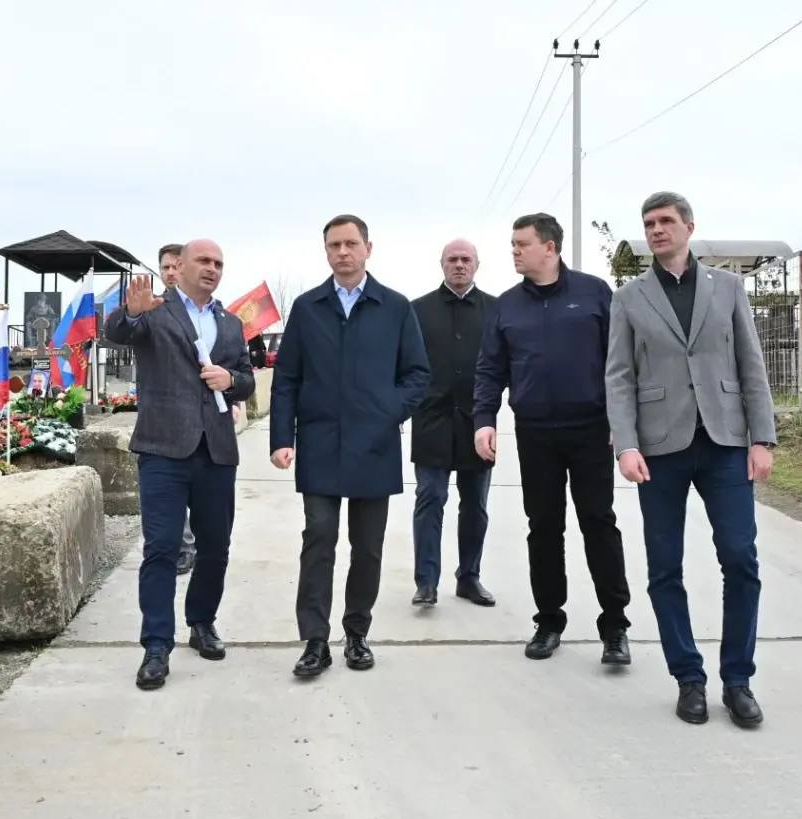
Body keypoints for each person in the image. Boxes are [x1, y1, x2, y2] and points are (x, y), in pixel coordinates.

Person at [605, 192, 776, 729]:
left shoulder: (727, 288)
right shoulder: (629, 298)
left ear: (688, 226)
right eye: (648, 224)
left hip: (725, 442)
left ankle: (738, 680)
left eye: (665, 221)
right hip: (659, 449)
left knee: (740, 558)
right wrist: (625, 445)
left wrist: (762, 438)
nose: (656, 230)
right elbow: (619, 377)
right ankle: (688, 678)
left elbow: (750, 364)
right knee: (664, 567)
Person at [270, 214, 429, 678]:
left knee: (368, 547)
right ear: (326, 251)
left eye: (350, 244)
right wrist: (282, 438)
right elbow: (287, 378)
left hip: (375, 446)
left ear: (367, 249)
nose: (342, 252)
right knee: (318, 539)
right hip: (320, 444)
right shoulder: (308, 308)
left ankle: (357, 633)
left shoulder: (395, 307)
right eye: (334, 245)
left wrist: (389, 411)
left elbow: (417, 374)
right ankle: (315, 641)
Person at [473, 212, 632, 666]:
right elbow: (490, 368)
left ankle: (615, 626)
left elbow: (620, 362)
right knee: (543, 526)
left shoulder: (594, 293)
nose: (514, 251)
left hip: (590, 430)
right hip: (535, 432)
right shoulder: (506, 306)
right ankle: (548, 621)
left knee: (598, 523)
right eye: (513, 244)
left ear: (550, 247)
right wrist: (484, 419)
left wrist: (621, 422)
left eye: (521, 243)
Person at [104, 239, 255, 691]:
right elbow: (118, 332)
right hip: (163, 450)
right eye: (203, 261)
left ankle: (202, 622)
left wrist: (231, 380)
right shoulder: (155, 311)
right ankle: (156, 645)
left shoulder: (230, 323)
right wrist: (131, 313)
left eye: (219, 263)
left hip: (217, 452)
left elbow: (247, 379)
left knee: (216, 548)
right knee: (162, 549)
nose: (212, 268)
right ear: (180, 267)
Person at [408, 239, 497, 608]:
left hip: (479, 422)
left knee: (475, 503)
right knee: (430, 498)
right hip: (431, 420)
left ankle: (469, 577)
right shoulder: (417, 310)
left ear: (477, 264)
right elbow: (404, 363)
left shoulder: (495, 309)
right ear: (441, 264)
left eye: (466, 259)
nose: (459, 265)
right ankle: (426, 582)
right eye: (452, 260)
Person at [158, 243, 199, 576]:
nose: (171, 273)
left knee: (199, 489)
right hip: (163, 416)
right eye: (165, 267)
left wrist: (234, 400)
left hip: (201, 414)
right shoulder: (151, 308)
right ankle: (183, 547)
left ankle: (199, 543)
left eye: (176, 266)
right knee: (169, 489)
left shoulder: (205, 308)